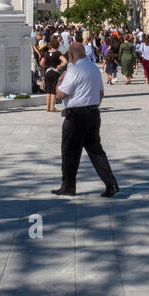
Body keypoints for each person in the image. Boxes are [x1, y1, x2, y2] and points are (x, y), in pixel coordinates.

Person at [51, 43, 120, 197]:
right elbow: (101, 93)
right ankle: (111, 184)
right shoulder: (94, 68)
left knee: (70, 152)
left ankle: (68, 186)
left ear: (71, 55)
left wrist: (60, 80)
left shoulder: (73, 70)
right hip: (93, 114)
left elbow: (61, 94)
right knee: (96, 151)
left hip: (76, 116)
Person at [40, 43, 65, 112]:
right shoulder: (58, 53)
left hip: (47, 72)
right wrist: (60, 66)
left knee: (48, 89)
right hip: (55, 72)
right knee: (53, 89)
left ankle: (47, 107)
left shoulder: (46, 53)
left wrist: (46, 66)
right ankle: (52, 107)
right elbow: (65, 61)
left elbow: (41, 63)